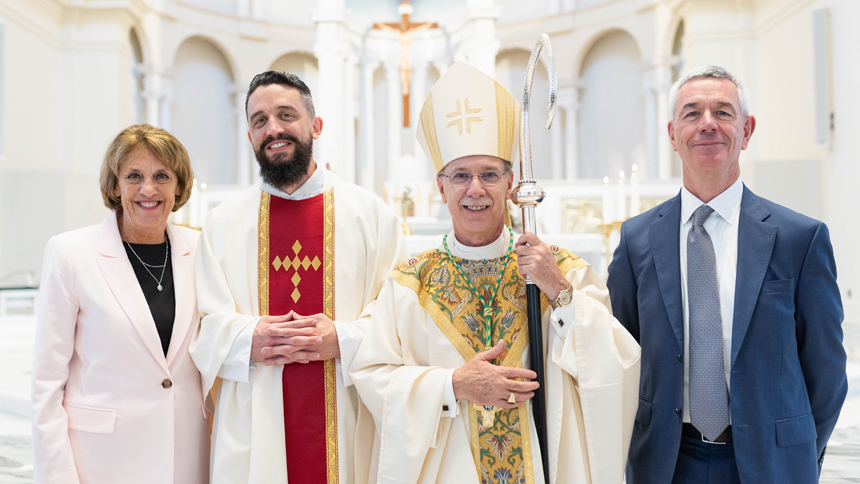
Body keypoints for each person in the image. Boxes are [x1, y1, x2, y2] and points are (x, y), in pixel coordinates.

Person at [350, 61, 641, 484]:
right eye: (461, 176)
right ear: (441, 187)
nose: (475, 189)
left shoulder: (556, 268)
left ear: (510, 185)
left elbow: (615, 362)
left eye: (489, 174)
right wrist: (453, 385)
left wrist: (558, 291)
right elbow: (372, 378)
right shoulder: (410, 284)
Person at [607, 65, 848, 484]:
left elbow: (826, 372)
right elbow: (619, 354)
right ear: (672, 134)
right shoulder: (637, 239)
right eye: (691, 113)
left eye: (722, 112)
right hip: (666, 462)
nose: (707, 125)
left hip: (769, 465)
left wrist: (798, 454)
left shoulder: (799, 238)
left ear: (747, 129)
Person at [189, 71, 409, 484]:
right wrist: (247, 338)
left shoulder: (371, 215)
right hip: (257, 420)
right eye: (259, 121)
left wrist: (341, 340)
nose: (273, 129)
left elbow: (401, 318)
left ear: (315, 125)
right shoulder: (221, 225)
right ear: (251, 137)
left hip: (347, 412)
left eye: (285, 115)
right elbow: (202, 326)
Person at [31, 124, 209, 483]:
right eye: (134, 176)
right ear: (115, 185)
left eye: (162, 176)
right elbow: (46, 384)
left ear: (179, 186)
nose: (148, 189)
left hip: (187, 458)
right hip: (102, 462)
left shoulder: (203, 251)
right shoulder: (71, 253)